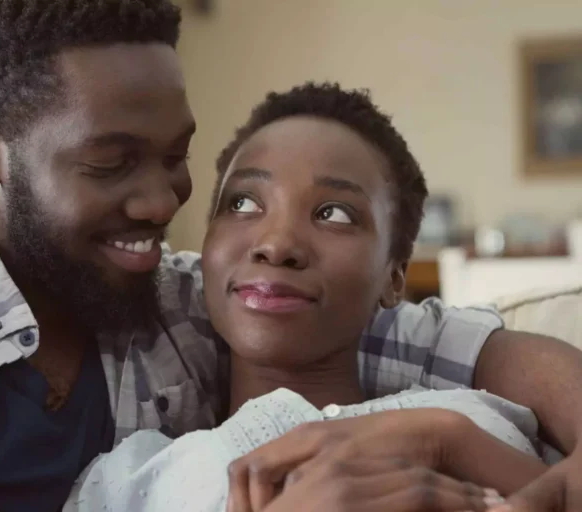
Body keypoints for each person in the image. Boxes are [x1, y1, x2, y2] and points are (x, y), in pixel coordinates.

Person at [0, 1, 579, 510]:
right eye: (112, 162)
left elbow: (459, 346)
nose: (160, 202)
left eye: (175, 156)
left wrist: (450, 441)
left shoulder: (200, 300)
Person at [65, 82, 549, 512]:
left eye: (334, 213)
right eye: (243, 203)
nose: (276, 244)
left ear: (393, 278)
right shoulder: (130, 481)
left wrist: (447, 443)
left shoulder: (472, 422)